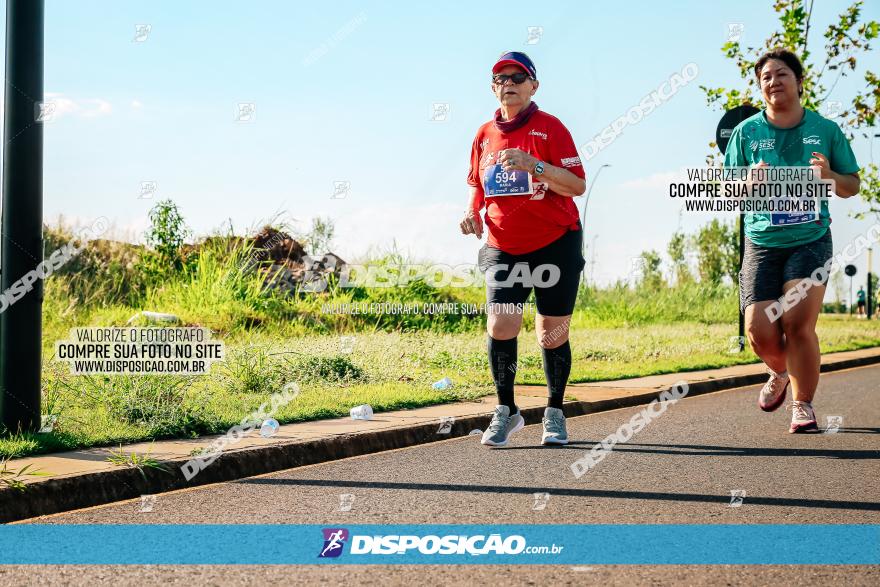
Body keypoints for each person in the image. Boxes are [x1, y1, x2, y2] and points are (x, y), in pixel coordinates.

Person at [724, 49, 860, 433]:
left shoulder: (826, 130)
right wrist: (746, 184)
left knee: (797, 323)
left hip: (810, 238)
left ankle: (803, 404)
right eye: (765, 77)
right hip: (762, 241)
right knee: (759, 331)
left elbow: (851, 186)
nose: (773, 81)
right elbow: (728, 190)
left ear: (799, 81)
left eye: (781, 74)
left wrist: (830, 175)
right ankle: (780, 370)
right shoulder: (745, 133)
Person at [459, 51, 586, 447]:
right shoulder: (483, 134)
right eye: (501, 78)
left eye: (518, 76)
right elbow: (476, 185)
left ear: (534, 85)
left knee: (551, 332)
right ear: (493, 87)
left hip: (555, 241)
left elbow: (577, 185)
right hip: (502, 245)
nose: (509, 83)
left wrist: (536, 166)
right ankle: (507, 410)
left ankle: (554, 411)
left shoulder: (551, 128)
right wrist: (471, 213)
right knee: (501, 324)